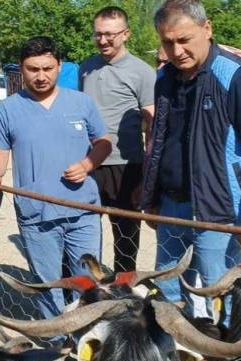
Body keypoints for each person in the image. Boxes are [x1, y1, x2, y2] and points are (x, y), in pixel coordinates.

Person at [140, 0, 241, 328]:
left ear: (207, 28)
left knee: (222, 287)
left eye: (184, 39)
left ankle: (232, 359)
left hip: (217, 208)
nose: (176, 50)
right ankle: (179, 351)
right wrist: (153, 198)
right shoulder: (165, 80)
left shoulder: (236, 77)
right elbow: (160, 140)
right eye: (168, 42)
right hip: (172, 204)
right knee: (170, 284)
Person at [0, 36, 111, 319]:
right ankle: (55, 346)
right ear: (21, 69)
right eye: (33, 69)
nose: (41, 76)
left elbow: (103, 141)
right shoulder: (8, 109)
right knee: (46, 285)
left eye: (47, 68)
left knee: (88, 282)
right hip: (36, 214)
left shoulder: (81, 102)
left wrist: (88, 163)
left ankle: (89, 341)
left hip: (83, 210)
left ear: (59, 66)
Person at [79, 6, 156, 272]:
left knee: (125, 235)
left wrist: (148, 171)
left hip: (126, 165)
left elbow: (153, 123)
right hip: (89, 162)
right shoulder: (86, 67)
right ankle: (92, 284)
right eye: (98, 35)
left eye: (110, 35)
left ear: (126, 34)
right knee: (86, 228)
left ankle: (124, 289)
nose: (103, 40)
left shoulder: (142, 72)